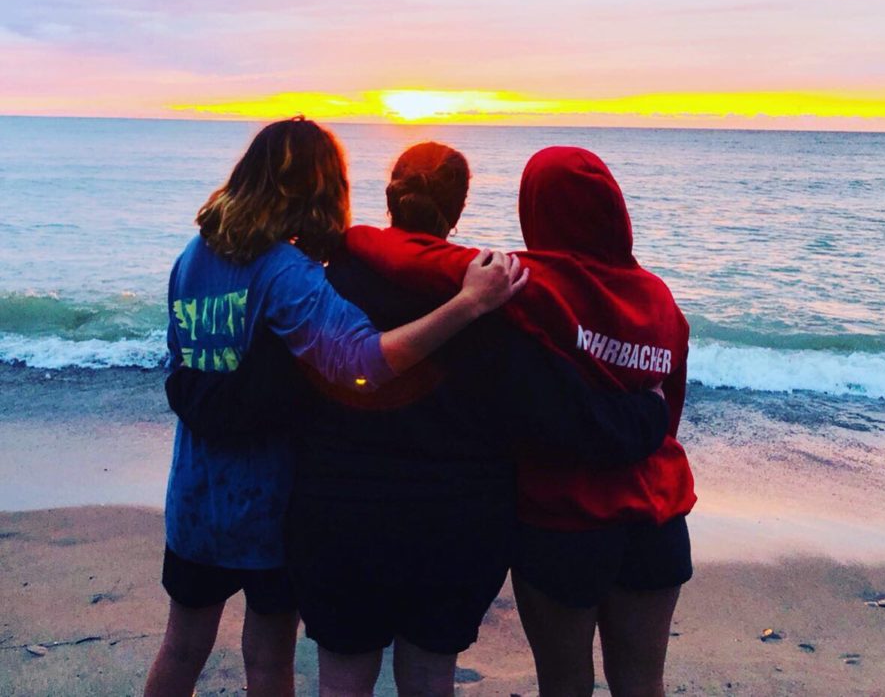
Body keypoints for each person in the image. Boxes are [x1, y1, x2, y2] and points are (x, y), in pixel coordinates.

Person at [167, 141, 672, 697]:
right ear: (457, 208)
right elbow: (548, 413)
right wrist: (645, 413)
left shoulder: (319, 284)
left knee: (339, 678)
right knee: (430, 678)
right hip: (456, 526)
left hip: (337, 518)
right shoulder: (497, 296)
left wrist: (188, 390)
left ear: (389, 199)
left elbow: (267, 386)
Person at [143, 121, 528, 697]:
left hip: (196, 497)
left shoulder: (190, 259)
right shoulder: (289, 274)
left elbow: (183, 365)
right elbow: (364, 362)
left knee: (181, 647)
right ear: (318, 189)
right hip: (268, 507)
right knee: (267, 660)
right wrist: (468, 303)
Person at [345, 145, 696, 697]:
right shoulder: (660, 299)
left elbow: (416, 259)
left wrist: (352, 236)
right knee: (642, 684)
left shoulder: (530, 282)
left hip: (564, 521)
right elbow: (666, 411)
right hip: (658, 519)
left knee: (564, 685)